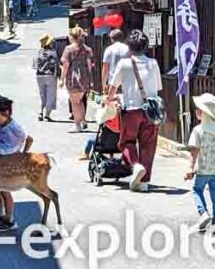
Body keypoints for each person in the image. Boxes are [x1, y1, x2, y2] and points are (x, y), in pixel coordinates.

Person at [107, 30, 162, 192]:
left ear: (129, 48)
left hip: (131, 109)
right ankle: (143, 182)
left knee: (126, 141)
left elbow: (113, 87)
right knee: (148, 145)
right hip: (151, 111)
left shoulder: (124, 64)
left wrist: (110, 99)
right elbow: (157, 87)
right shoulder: (153, 63)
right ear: (145, 47)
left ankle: (135, 165)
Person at [186, 93, 215, 232]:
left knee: (196, 190)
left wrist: (190, 167)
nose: (196, 111)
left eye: (198, 109)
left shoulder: (198, 130)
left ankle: (203, 213)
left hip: (203, 169)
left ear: (204, 112)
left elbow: (194, 150)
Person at [0, 95, 32, 231]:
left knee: (6, 191)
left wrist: (22, 154)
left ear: (6, 113)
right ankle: (0, 214)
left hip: (8, 163)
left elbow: (29, 138)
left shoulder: (14, 127)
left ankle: (10, 219)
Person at [60, 27, 95, 133]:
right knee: (80, 100)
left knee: (75, 102)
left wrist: (62, 79)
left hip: (73, 78)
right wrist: (90, 79)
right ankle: (83, 120)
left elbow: (65, 65)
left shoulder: (68, 49)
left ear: (72, 36)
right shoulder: (88, 49)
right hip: (84, 78)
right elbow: (90, 66)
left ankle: (77, 125)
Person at [32, 34, 59, 121]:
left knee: (42, 95)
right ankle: (47, 115)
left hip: (39, 75)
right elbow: (55, 64)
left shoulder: (39, 51)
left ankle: (40, 112)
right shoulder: (53, 52)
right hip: (50, 75)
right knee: (50, 95)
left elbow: (34, 65)